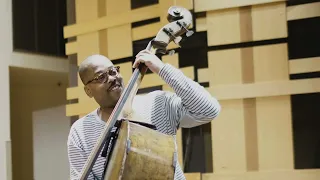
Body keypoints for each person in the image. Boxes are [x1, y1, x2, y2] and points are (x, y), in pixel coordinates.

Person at [67, 49, 221, 180]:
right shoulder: (80, 131)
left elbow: (208, 110)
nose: (113, 78)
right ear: (88, 91)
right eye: (101, 77)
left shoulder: (158, 103)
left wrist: (162, 68)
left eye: (113, 71)